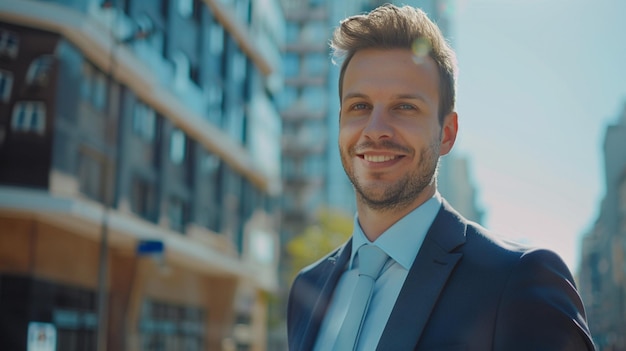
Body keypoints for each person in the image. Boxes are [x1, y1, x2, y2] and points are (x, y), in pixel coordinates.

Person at [287, 4, 595, 351]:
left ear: (447, 133)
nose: (375, 130)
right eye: (359, 106)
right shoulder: (306, 289)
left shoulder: (519, 279)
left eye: (404, 107)